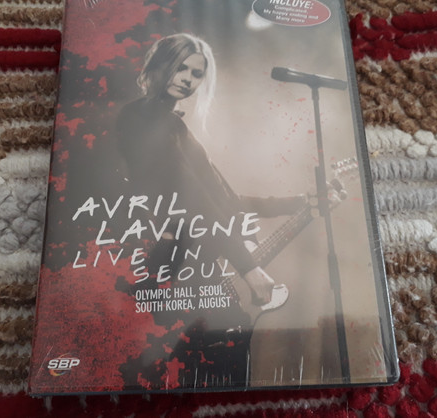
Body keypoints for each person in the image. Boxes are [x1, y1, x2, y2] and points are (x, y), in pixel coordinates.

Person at [114, 33, 305, 389]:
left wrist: (300, 202)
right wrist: (248, 268)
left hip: (192, 260)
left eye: (196, 73)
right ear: (159, 65)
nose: (187, 78)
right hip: (167, 266)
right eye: (180, 67)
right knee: (204, 361)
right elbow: (191, 198)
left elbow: (222, 199)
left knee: (223, 358)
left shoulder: (174, 126)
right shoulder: (142, 118)